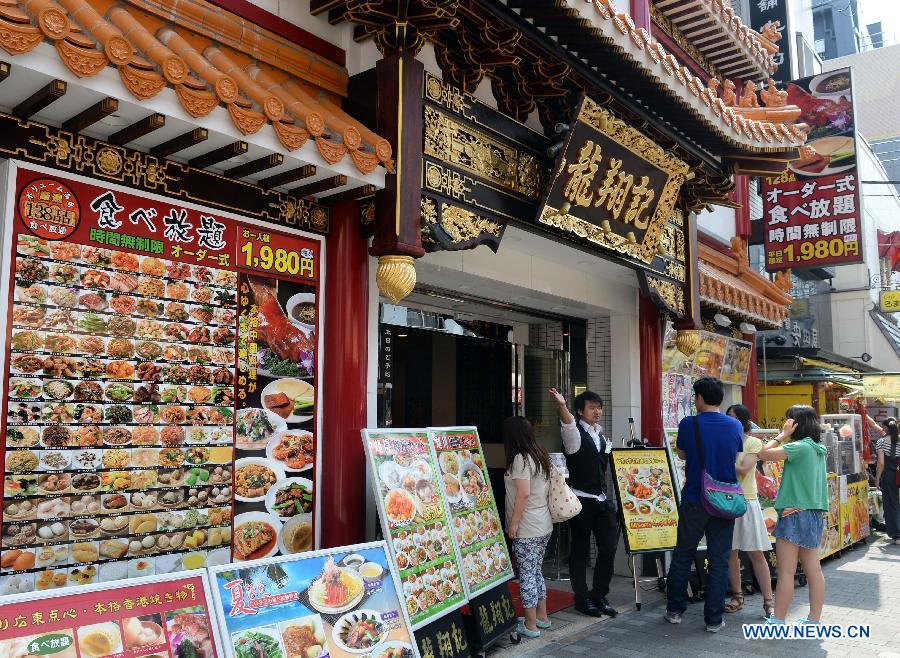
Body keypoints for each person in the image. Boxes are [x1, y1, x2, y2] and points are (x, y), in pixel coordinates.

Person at [663, 377, 743, 633]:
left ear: (699, 397)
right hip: (724, 502)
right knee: (719, 560)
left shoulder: (689, 424)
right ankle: (714, 620)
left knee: (683, 555)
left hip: (695, 499)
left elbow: (682, 454)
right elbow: (735, 456)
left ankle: (675, 611)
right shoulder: (735, 425)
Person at [550, 388, 619, 617]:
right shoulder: (574, 434)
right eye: (592, 407)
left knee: (608, 547)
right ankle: (581, 598)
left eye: (599, 407)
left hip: (601, 500)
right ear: (580, 411)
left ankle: (599, 594)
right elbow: (568, 423)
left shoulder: (600, 434)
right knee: (579, 550)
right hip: (580, 500)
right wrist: (562, 405)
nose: (597, 411)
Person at [758, 405, 828, 625]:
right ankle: (814, 619)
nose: (785, 424)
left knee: (786, 571)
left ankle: (778, 620)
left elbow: (763, 454)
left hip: (794, 514)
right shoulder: (817, 448)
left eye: (788, 421)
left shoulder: (799, 447)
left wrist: (782, 435)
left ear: (796, 424)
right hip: (813, 514)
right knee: (813, 570)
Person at [503, 416, 553, 637]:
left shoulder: (520, 459)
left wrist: (513, 525)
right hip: (543, 524)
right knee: (535, 571)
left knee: (526, 576)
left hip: (528, 527)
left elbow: (523, 494)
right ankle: (542, 617)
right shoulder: (539, 453)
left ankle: (530, 625)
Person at [724, 404, 774, 618]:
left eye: (734, 418)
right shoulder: (724, 440)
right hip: (725, 501)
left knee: (756, 553)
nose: (729, 421)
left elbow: (744, 470)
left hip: (747, 501)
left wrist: (719, 458)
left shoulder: (753, 442)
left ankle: (769, 601)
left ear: (744, 422)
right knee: (731, 553)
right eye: (727, 417)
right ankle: (737, 596)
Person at [874, 417, 900, 544]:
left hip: (889, 476)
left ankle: (896, 534)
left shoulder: (881, 441)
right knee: (896, 503)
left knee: (890, 504)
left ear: (885, 427)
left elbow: (881, 463)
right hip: (898, 474)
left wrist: (877, 479)